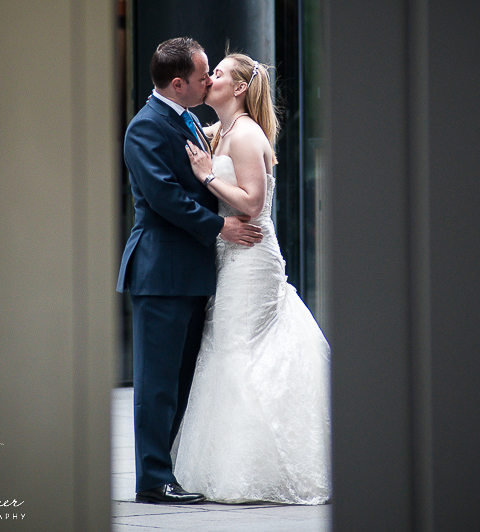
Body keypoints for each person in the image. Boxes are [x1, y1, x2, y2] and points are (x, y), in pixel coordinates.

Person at [174, 53, 331, 504]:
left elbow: (253, 203)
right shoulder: (220, 130)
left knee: (240, 347)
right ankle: (229, 460)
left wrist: (206, 177)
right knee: (224, 348)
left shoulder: (245, 134)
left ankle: (261, 464)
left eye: (218, 74)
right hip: (228, 255)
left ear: (239, 88)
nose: (210, 79)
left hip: (249, 256)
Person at [116, 38, 263, 505]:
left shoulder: (191, 122)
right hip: (161, 272)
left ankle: (171, 469)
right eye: (202, 76)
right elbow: (163, 198)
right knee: (157, 384)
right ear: (178, 84)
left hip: (193, 272)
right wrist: (220, 226)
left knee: (182, 380)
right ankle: (153, 480)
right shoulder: (146, 127)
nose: (208, 81)